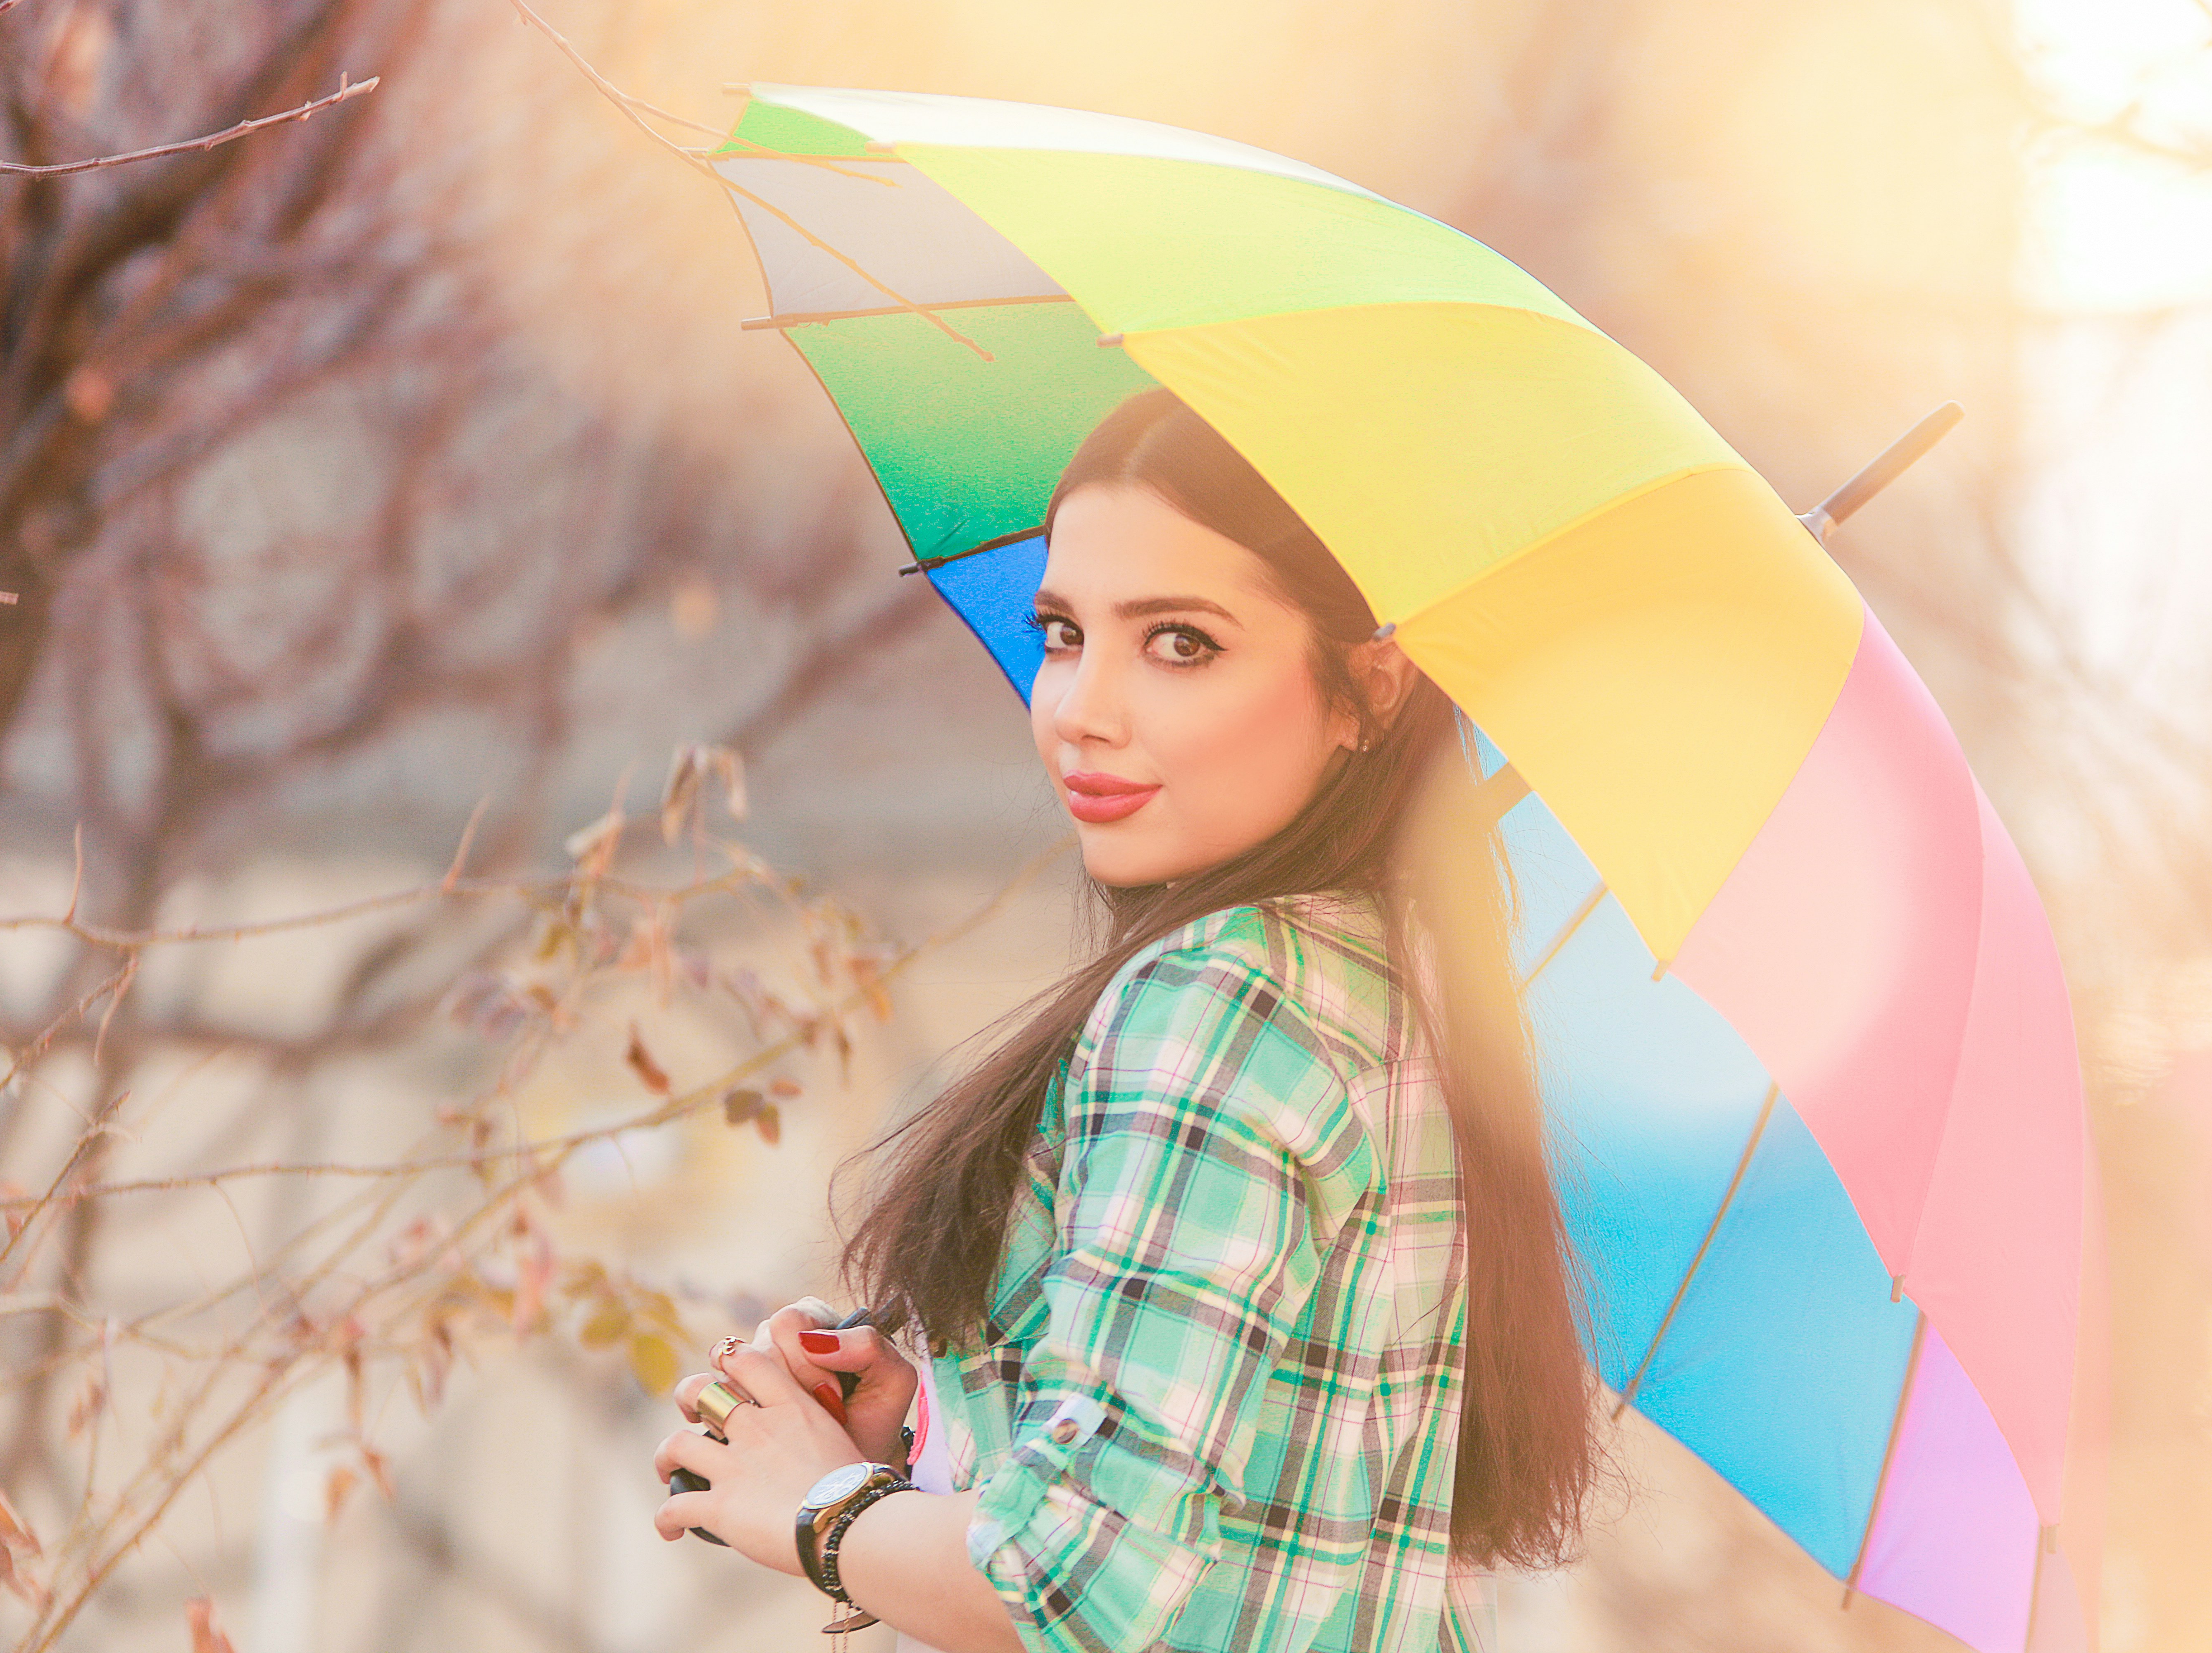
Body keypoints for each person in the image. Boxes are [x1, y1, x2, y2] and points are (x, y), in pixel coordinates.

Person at [652, 388, 1595, 1652]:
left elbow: (1076, 1587)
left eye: (1181, 644)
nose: (1082, 709)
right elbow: (1246, 1522)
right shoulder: (1386, 974)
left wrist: (819, 1508)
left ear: (1370, 686)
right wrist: (956, 1425)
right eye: (1064, 632)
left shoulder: (1221, 996)